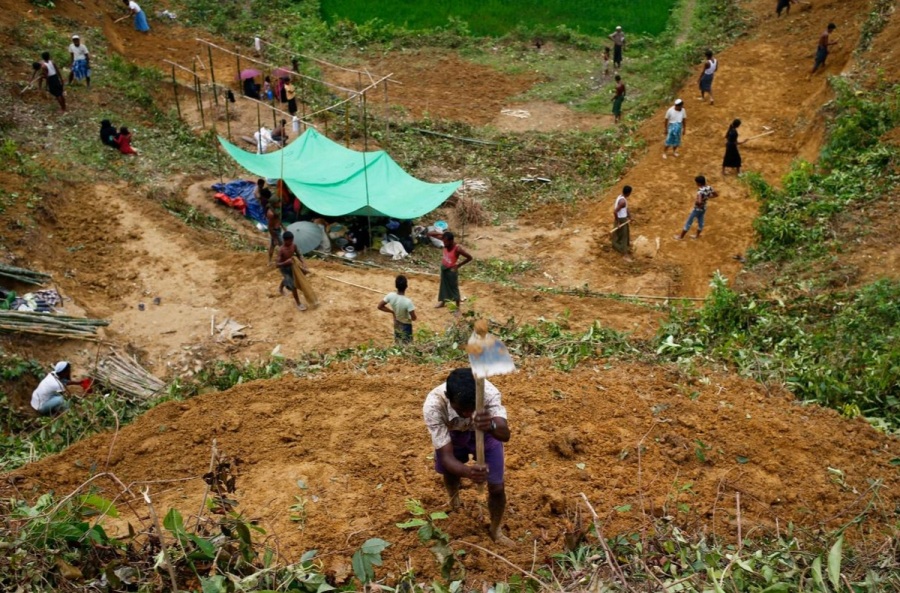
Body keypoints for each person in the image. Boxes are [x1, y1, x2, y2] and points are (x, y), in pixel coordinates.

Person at [423, 367, 514, 546]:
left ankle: (496, 530)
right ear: (449, 398)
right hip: (453, 435)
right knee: (450, 472)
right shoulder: (434, 405)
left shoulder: (488, 393)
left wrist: (492, 426)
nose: (468, 414)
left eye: (471, 408)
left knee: (497, 487)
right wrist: (468, 471)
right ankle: (454, 501)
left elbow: (505, 435)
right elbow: (446, 457)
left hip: (486, 435)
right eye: (462, 409)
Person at [427, 231, 472, 310]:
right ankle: (443, 302)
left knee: (454, 289)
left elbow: (469, 257)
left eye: (446, 242)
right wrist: (442, 233)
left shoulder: (457, 249)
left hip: (451, 271)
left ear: (451, 241)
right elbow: (430, 234)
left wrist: (458, 266)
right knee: (443, 286)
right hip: (444, 267)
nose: (444, 244)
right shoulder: (445, 240)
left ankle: (457, 307)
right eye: (443, 241)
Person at [274, 231, 310, 311]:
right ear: (284, 240)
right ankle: (298, 303)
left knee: (302, 274)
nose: (291, 242)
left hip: (292, 266)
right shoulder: (281, 250)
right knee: (293, 285)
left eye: (292, 240)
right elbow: (277, 265)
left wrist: (303, 263)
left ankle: (280, 288)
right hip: (284, 268)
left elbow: (299, 255)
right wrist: (285, 262)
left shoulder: (294, 245)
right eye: (289, 241)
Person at [675, 175, 719, 240]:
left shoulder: (700, 191)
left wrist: (698, 203)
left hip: (697, 209)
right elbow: (716, 195)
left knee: (688, 222)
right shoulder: (709, 187)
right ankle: (697, 236)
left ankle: (680, 237)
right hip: (704, 208)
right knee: (701, 222)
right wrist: (707, 197)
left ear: (699, 183)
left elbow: (699, 201)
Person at [378, 275, 417, 344]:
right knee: (407, 344)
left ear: (396, 285)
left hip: (397, 323)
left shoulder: (390, 295)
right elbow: (414, 318)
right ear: (406, 286)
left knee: (398, 342)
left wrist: (392, 312)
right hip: (406, 325)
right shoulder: (408, 302)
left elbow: (380, 306)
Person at [263, 187, 283, 263]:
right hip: (275, 231)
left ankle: (270, 261)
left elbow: (278, 219)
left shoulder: (275, 210)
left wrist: (283, 227)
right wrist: (274, 238)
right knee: (282, 246)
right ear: (274, 204)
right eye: (278, 202)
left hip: (278, 229)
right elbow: (270, 227)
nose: (280, 204)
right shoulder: (270, 214)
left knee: (273, 246)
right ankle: (279, 261)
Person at [612, 185, 632, 256]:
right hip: (621, 219)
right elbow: (615, 211)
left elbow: (625, 208)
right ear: (628, 193)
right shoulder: (622, 201)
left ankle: (619, 247)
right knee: (624, 236)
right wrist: (618, 222)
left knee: (622, 234)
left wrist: (629, 216)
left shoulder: (621, 197)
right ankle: (624, 253)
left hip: (622, 219)